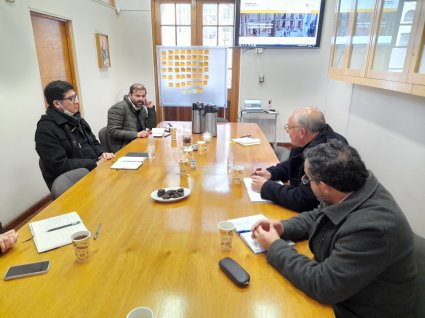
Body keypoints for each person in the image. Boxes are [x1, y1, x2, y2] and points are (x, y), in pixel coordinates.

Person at [252, 140, 416, 317]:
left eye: (307, 179)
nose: (306, 183)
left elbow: (323, 285)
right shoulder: (350, 186)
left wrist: (275, 246)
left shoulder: (372, 229)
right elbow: (320, 214)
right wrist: (283, 227)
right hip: (347, 291)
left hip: (361, 309)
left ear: (324, 187)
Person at [251, 107, 347, 212]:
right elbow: (293, 164)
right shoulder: (309, 138)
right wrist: (270, 173)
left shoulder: (324, 154)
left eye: (288, 127)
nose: (287, 131)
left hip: (319, 214)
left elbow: (303, 200)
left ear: (301, 132)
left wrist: (265, 187)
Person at [35, 80, 115, 190]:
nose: (77, 101)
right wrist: (94, 163)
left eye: (76, 97)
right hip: (76, 183)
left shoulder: (76, 119)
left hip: (95, 171)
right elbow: (60, 165)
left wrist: (102, 153)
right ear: (56, 104)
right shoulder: (45, 130)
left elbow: (94, 142)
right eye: (71, 99)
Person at [107, 83, 157, 153]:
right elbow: (113, 131)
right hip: (124, 147)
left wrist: (150, 109)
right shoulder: (118, 108)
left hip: (138, 142)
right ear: (130, 95)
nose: (141, 99)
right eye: (137, 96)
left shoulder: (141, 107)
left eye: (143, 96)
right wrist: (137, 134)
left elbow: (151, 127)